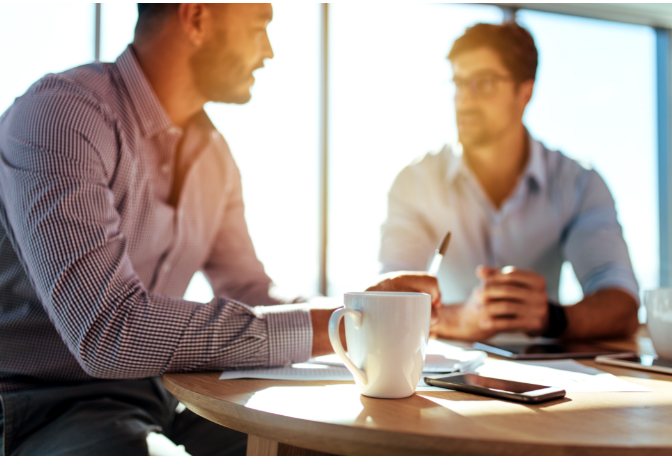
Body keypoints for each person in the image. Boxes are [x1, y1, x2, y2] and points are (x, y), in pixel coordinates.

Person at [0, 4, 439, 455]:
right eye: (258, 26)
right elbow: (108, 330)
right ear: (196, 18)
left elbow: (250, 291)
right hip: (38, 407)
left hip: (164, 395)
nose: (268, 51)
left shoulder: (215, 158)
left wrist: (362, 310)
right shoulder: (61, 116)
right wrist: (341, 328)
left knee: (328, 446)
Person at [379, 22, 639, 342]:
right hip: (444, 374)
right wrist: (459, 319)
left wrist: (552, 316)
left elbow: (622, 303)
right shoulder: (415, 183)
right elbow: (386, 301)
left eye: (484, 83)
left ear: (525, 92)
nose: (464, 100)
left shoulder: (578, 184)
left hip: (553, 379)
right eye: (459, 83)